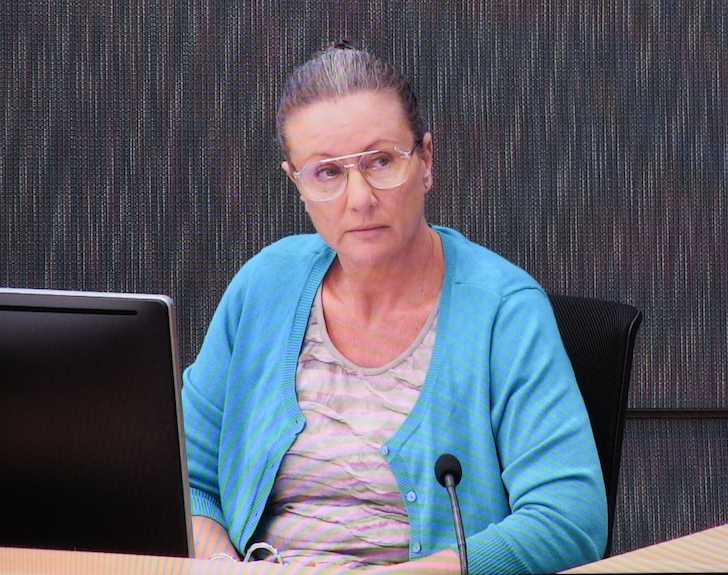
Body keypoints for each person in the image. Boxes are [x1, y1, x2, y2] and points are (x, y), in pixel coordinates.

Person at [182, 42, 607, 574]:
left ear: (425, 160)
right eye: (327, 173)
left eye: (381, 161)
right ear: (297, 182)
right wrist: (223, 566)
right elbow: (184, 480)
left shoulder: (504, 310)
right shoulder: (265, 285)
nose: (359, 198)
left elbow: (568, 521)